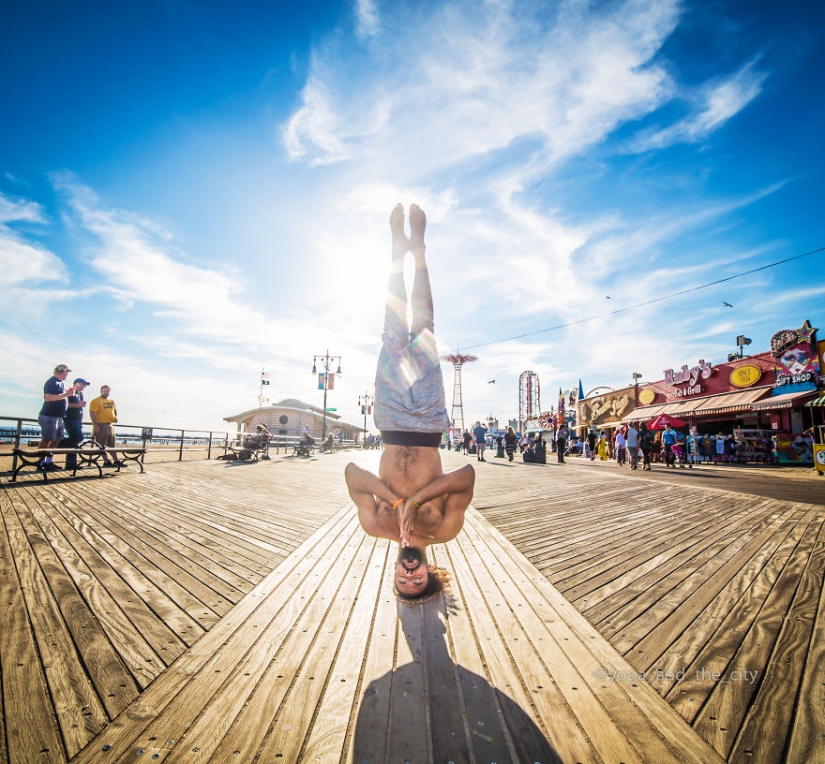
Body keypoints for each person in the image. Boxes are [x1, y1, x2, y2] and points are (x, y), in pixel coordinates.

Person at [345, 204, 475, 605]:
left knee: (391, 332)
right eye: (418, 582)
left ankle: (395, 250)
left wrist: (397, 502)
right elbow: (467, 474)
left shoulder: (377, 525)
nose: (410, 575)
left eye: (403, 582)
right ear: (430, 574)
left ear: (396, 575)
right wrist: (417, 501)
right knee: (422, 327)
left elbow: (352, 474)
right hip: (426, 423)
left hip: (389, 419)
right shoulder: (443, 529)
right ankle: (418, 249)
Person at [36, 363, 75, 471]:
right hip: (49, 416)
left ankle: (48, 461)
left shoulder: (60, 383)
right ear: (62, 371)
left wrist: (67, 394)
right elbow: (48, 397)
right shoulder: (52, 382)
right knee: (47, 439)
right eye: (67, 372)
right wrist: (65, 395)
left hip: (58, 417)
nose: (67, 374)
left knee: (57, 438)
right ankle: (40, 462)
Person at [62, 377, 90, 470]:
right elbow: (65, 405)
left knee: (74, 442)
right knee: (79, 437)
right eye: (83, 384)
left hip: (77, 420)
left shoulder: (80, 394)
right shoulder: (69, 392)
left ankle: (70, 464)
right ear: (77, 383)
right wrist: (78, 404)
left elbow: (79, 406)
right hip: (70, 419)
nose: (84, 387)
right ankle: (56, 444)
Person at [89, 385, 119, 467]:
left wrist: (114, 418)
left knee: (112, 444)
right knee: (101, 445)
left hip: (110, 425)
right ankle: (106, 461)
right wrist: (95, 425)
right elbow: (92, 413)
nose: (106, 392)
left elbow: (115, 411)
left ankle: (116, 461)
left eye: (107, 391)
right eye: (104, 391)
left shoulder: (111, 401)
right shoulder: (96, 401)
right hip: (101, 424)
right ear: (101, 391)